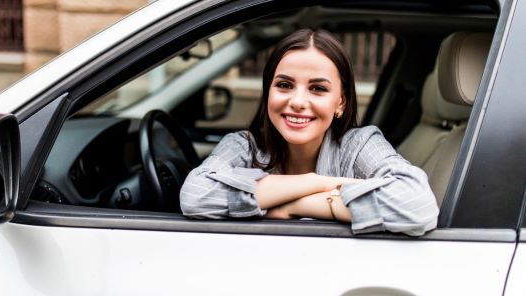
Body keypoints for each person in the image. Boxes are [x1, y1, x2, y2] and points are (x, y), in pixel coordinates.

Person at [179, 29, 438, 236]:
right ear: (268, 91)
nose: (298, 101)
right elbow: (194, 195)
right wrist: (318, 183)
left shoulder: (359, 144)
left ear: (341, 102)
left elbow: (418, 205)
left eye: (318, 89)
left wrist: (294, 205)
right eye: (284, 85)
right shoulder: (244, 145)